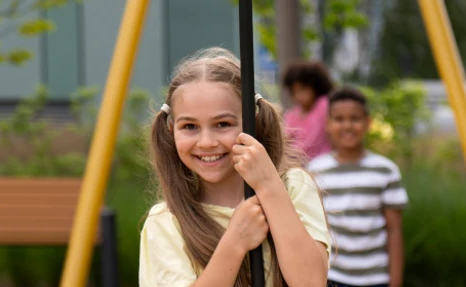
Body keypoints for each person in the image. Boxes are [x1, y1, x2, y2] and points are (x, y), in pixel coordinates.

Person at [138, 47, 331, 287]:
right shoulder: (166, 222)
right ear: (171, 130)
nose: (207, 142)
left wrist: (268, 185)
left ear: (252, 123)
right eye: (189, 126)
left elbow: (311, 282)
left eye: (223, 124)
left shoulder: (292, 187)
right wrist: (235, 242)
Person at [307, 87, 408, 287]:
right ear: (328, 124)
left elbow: (394, 231)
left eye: (355, 119)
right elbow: (311, 232)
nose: (347, 125)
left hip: (376, 279)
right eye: (339, 119)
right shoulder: (315, 171)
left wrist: (395, 283)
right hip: (332, 277)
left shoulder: (385, 171)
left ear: (368, 122)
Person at [281, 60, 335, 160]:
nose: (298, 95)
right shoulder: (291, 115)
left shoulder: (324, 105)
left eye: (303, 89)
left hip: (322, 163)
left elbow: (316, 140)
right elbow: (286, 142)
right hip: (297, 164)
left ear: (316, 87)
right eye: (294, 90)